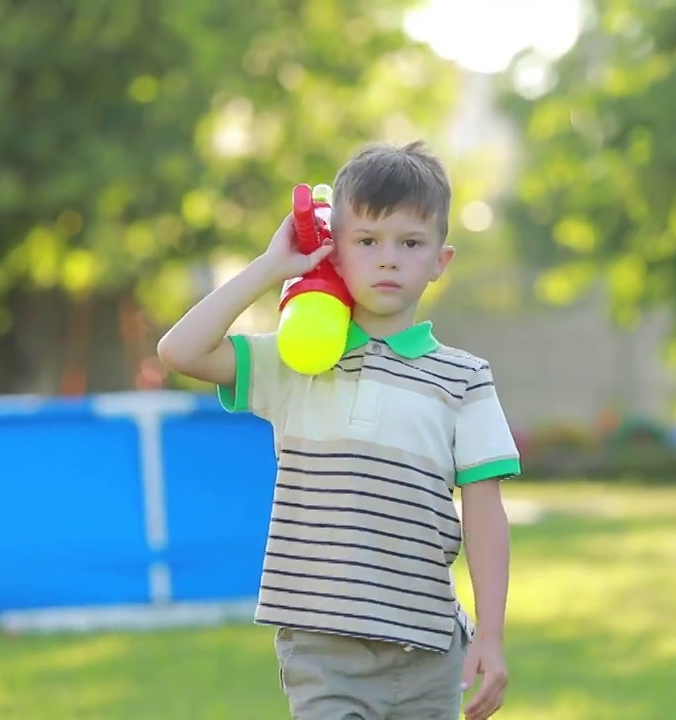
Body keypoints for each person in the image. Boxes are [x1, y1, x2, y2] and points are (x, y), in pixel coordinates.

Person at [157, 140, 519, 720]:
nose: (389, 260)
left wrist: (493, 638)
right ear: (332, 250)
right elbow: (179, 350)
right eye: (367, 242)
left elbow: (484, 515)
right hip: (323, 648)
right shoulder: (296, 366)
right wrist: (274, 266)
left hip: (428, 649)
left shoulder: (464, 380)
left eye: (410, 243)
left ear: (439, 262)